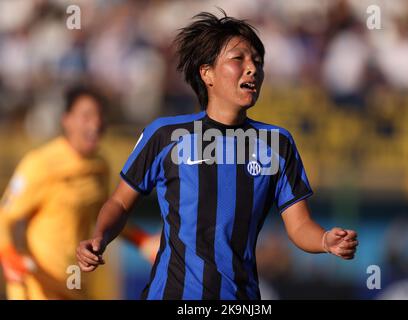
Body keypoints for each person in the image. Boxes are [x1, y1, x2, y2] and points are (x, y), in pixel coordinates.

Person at [77, 10, 358, 300]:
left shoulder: (277, 143)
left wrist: (325, 240)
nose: (252, 69)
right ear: (207, 72)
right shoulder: (165, 136)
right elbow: (120, 203)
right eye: (239, 59)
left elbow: (299, 225)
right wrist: (100, 237)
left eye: (257, 62)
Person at [0, 85, 158, 299]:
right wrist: (9, 257)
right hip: (37, 286)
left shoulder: (99, 166)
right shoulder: (40, 164)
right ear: (67, 120)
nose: (95, 123)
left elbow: (104, 216)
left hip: (73, 282)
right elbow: (5, 216)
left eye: (100, 116)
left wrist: (142, 240)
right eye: (86, 116)